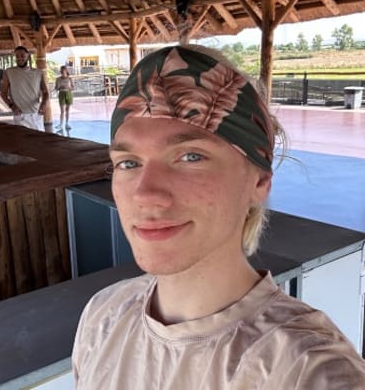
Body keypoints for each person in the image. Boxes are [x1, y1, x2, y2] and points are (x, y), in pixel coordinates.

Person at [72, 45, 365, 389]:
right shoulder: (102, 317)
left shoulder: (307, 370)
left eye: (191, 156)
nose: (145, 194)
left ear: (259, 181)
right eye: (129, 163)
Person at [0, 45, 49, 131]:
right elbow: (3, 93)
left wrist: (44, 103)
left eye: (22, 55)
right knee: (21, 139)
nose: (19, 58)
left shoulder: (38, 72)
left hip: (36, 114)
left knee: (39, 139)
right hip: (20, 114)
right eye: (17, 56)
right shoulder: (9, 72)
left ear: (27, 56)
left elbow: (45, 92)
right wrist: (12, 106)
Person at [55, 65, 74, 130]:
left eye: (64, 70)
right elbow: (56, 88)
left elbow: (73, 88)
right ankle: (60, 124)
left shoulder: (70, 79)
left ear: (66, 71)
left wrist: (68, 87)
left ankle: (67, 124)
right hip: (61, 94)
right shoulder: (58, 79)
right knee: (62, 111)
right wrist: (60, 87)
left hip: (68, 93)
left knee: (67, 110)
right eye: (61, 70)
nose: (62, 71)